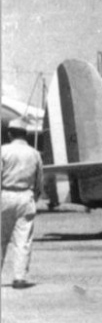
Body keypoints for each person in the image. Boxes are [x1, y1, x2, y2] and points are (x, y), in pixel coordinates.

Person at [1, 118, 43, 289]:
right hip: (26, 195)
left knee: (1, 238)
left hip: (5, 194)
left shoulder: (3, 151)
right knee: (23, 239)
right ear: (25, 134)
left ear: (10, 134)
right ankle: (19, 278)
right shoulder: (34, 153)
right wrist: (35, 196)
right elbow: (39, 180)